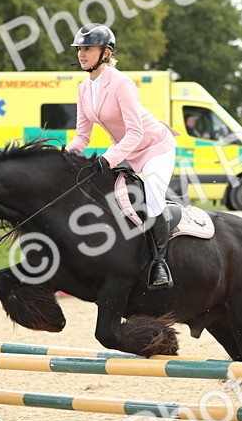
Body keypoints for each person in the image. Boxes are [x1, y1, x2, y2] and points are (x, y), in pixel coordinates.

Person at [65, 23, 178, 290]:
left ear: (105, 53)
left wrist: (108, 158)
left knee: (151, 198)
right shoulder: (83, 89)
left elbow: (136, 132)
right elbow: (83, 135)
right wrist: (64, 157)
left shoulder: (121, 83)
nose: (82, 54)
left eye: (88, 49)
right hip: (126, 151)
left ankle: (159, 264)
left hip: (153, 148)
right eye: (80, 49)